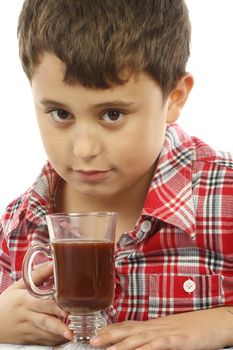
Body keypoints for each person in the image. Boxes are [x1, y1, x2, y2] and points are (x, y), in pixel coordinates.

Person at [0, 0, 233, 348]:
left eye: (111, 114)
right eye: (60, 113)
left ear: (174, 97)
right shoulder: (20, 226)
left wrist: (224, 321)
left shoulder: (224, 198)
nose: (84, 149)